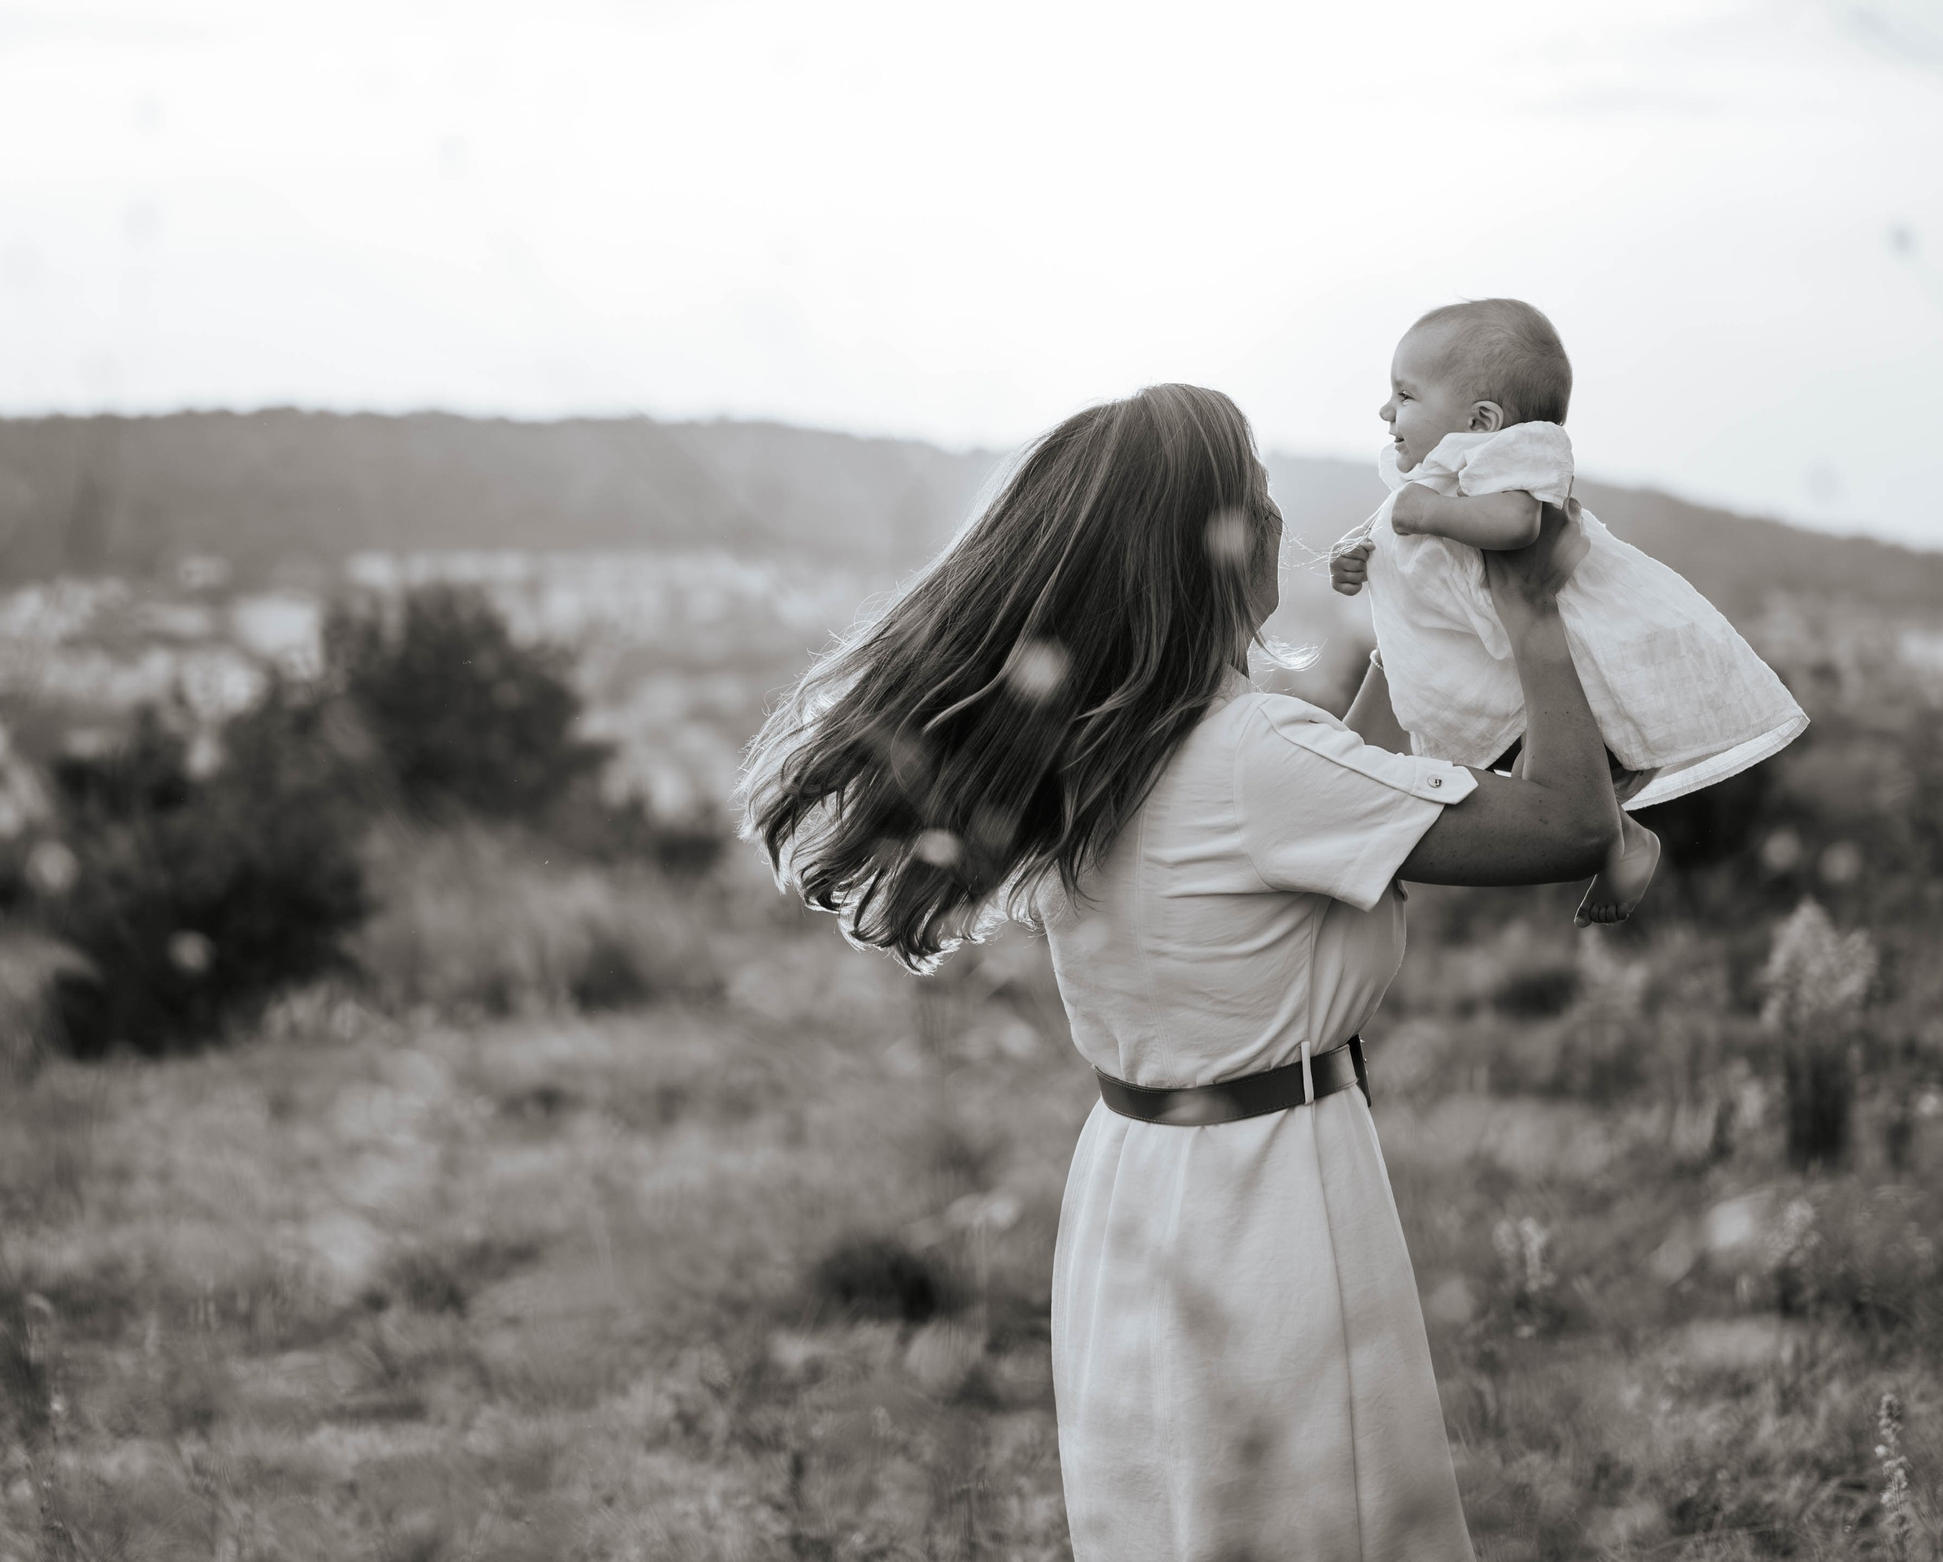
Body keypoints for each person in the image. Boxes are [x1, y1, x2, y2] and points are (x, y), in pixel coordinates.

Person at [737, 383, 1618, 1562]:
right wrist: (1533, 606)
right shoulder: (1257, 756)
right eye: (1256, 500)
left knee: (1175, 1523)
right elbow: (1570, 824)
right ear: (1203, 550)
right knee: (1325, 1523)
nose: (1278, 524)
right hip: (1272, 1197)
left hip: (1134, 1184)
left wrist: (1409, 618)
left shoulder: (1100, 748)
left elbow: (1356, 787)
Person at [1330, 298, 1809, 924]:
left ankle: (1618, 837)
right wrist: (1358, 557)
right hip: (1500, 654)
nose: (1386, 410)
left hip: (1566, 652)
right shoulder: (1433, 474)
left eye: (1405, 394)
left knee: (1536, 781)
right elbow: (1391, 535)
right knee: (1517, 779)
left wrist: (1430, 513)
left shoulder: (1514, 453)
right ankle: (1621, 834)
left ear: (1481, 419)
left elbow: (1518, 522)